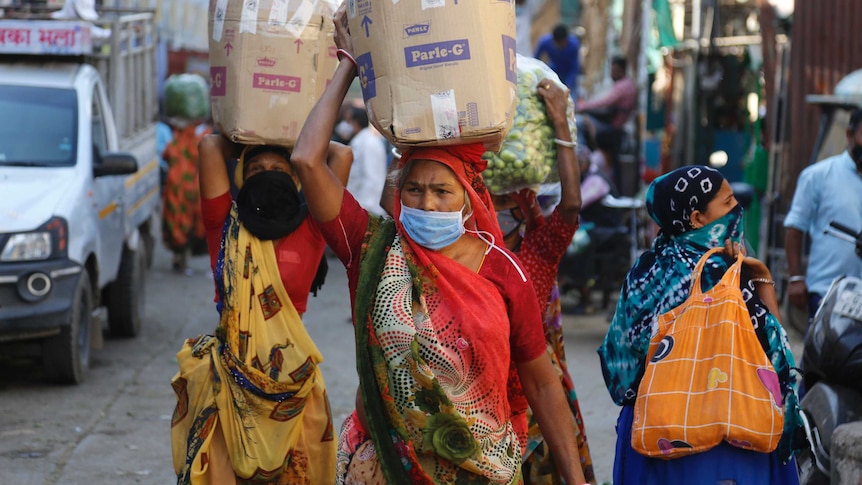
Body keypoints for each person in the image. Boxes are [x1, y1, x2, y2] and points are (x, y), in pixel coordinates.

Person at [285, 5, 588, 484]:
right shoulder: (373, 248)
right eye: (414, 189)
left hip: (480, 470)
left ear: (469, 200)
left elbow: (541, 382)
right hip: (387, 467)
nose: (425, 202)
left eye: (441, 191)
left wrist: (576, 480)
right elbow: (306, 160)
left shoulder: (505, 270)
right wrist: (350, 62)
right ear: (397, 192)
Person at [598, 165, 804, 483]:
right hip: (730, 433)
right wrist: (759, 277)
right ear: (697, 218)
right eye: (728, 202)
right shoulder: (723, 273)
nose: (738, 209)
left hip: (659, 429)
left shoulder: (645, 270)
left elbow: (624, 358)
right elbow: (773, 352)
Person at [169, 135, 352, 484]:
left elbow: (341, 154)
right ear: (240, 178)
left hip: (292, 386)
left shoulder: (313, 225)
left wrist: (288, 131)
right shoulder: (224, 224)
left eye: (278, 170)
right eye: (256, 169)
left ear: (297, 177)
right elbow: (209, 146)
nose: (267, 175)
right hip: (228, 381)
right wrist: (252, 132)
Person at [490, 79, 597, 483]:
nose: (496, 212)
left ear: (524, 207)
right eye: (491, 202)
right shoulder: (461, 254)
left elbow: (570, 204)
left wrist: (560, 125)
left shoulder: (537, 253)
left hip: (535, 403)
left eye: (504, 204)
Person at [784, 108, 862, 321]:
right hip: (828, 293)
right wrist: (796, 278)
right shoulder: (818, 176)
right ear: (849, 135)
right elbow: (795, 227)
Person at [577, 56, 637, 187]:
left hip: (612, 126)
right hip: (613, 123)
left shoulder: (623, 86)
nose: (612, 73)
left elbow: (605, 102)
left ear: (622, 70)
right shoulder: (627, 84)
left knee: (580, 123)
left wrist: (584, 106)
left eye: (615, 70)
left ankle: (580, 155)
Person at [161, 120, 211, 274]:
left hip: (181, 190)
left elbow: (167, 154)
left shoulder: (179, 139)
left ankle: (181, 258)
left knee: (183, 224)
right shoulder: (201, 137)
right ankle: (180, 258)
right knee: (183, 224)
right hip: (186, 190)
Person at [342, 105, 389, 216]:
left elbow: (372, 178)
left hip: (368, 207)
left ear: (356, 122)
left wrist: (364, 207)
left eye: (348, 121)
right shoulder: (361, 140)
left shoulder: (368, 142)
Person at [534, 24, 581, 98]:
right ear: (554, 40)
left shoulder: (574, 45)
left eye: (563, 43)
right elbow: (535, 60)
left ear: (567, 39)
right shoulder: (544, 42)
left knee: (570, 98)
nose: (561, 45)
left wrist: (568, 84)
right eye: (559, 43)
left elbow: (574, 68)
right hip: (554, 70)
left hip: (568, 72)